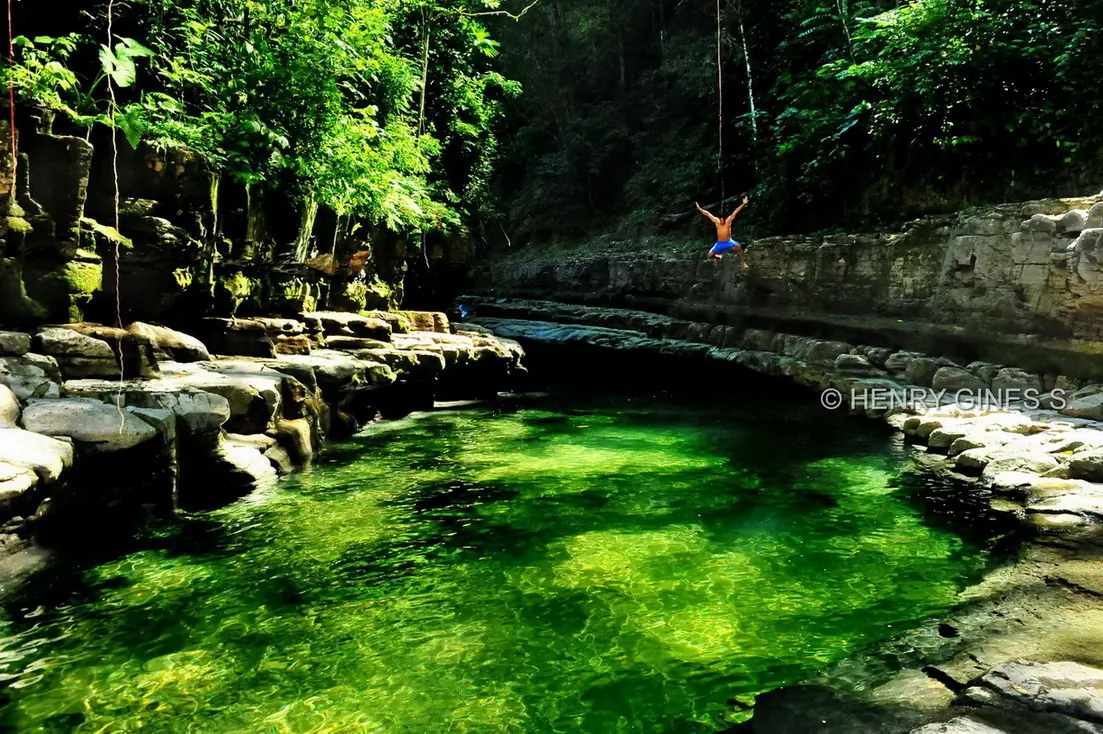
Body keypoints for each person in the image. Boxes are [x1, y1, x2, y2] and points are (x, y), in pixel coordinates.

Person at [696, 196, 749, 268]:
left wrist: (743, 204)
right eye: (720, 219)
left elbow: (735, 211)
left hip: (729, 241)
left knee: (739, 246)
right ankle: (718, 257)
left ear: (725, 219)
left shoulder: (728, 221)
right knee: (709, 255)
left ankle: (743, 262)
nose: (721, 221)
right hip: (720, 243)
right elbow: (708, 214)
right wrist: (699, 209)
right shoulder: (717, 221)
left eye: (722, 220)